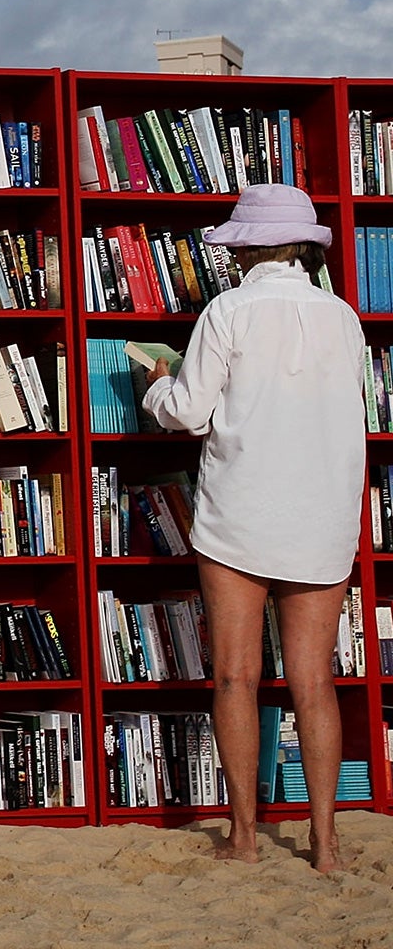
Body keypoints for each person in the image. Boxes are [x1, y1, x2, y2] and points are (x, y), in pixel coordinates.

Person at [141, 182, 365, 873]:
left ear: (242, 248)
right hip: (323, 512)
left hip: (241, 511)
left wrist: (156, 382)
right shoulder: (342, 316)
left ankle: (243, 837)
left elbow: (188, 410)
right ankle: (325, 845)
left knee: (237, 677)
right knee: (314, 681)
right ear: (303, 246)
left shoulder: (227, 311)